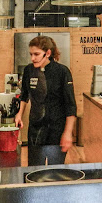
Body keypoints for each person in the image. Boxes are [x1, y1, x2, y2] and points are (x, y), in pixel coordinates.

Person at [14, 35, 77, 166]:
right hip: (35, 129)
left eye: (37, 54)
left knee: (55, 171)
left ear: (48, 53)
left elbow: (70, 106)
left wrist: (67, 133)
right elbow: (24, 95)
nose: (32, 58)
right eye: (31, 54)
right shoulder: (29, 70)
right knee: (34, 170)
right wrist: (19, 114)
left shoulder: (62, 72)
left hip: (56, 130)